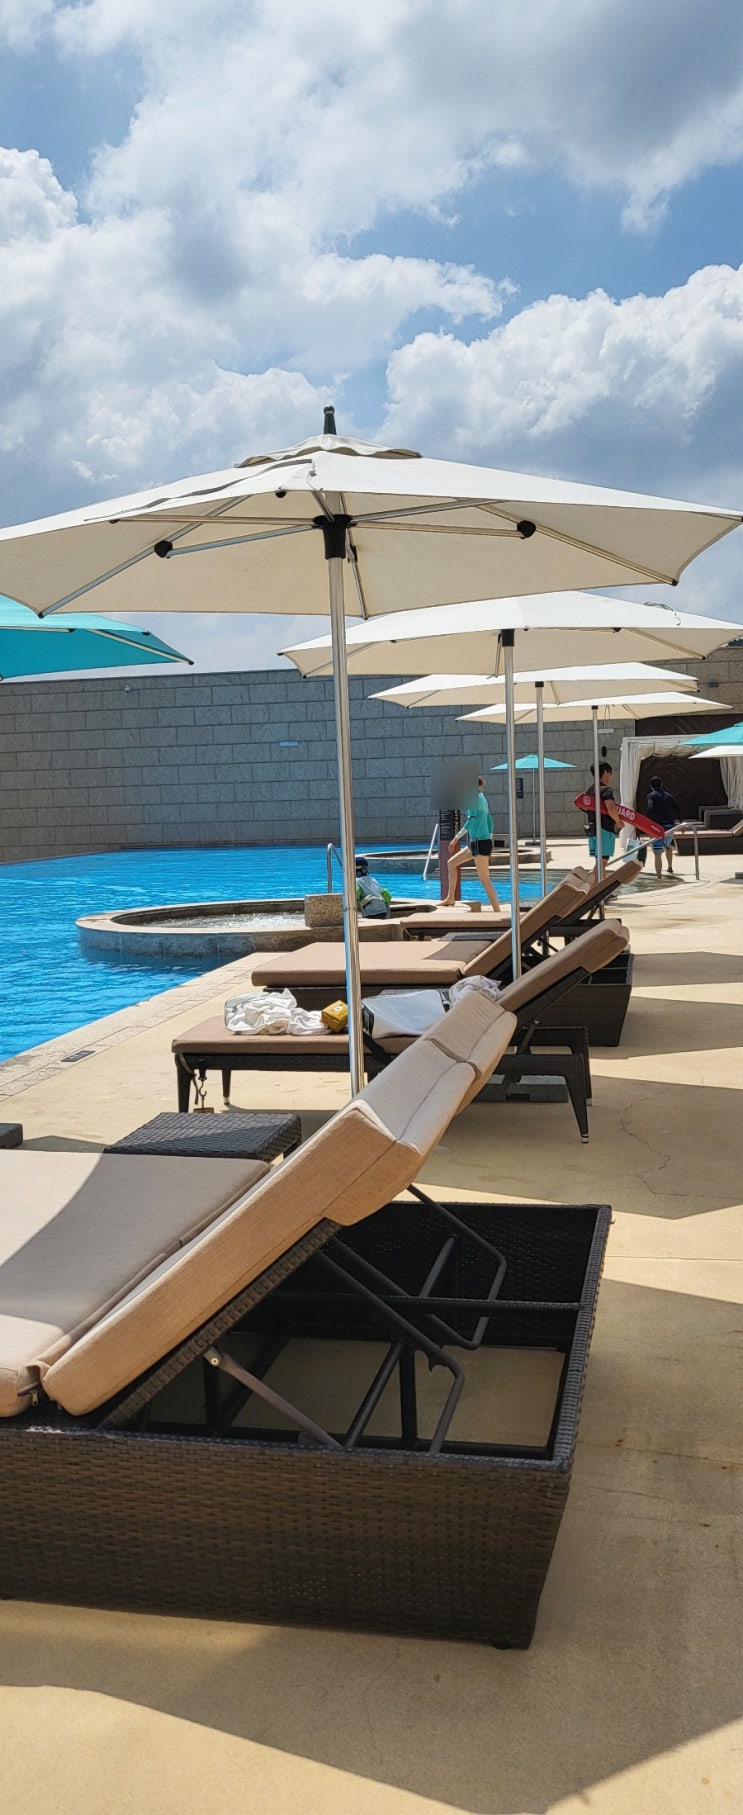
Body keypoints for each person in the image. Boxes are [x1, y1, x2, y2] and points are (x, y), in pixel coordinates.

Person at [443, 777, 501, 910]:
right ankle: (450, 898)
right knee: (451, 863)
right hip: (477, 843)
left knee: (485, 880)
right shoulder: (482, 799)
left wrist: (456, 839)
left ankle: (497, 911)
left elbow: (472, 821)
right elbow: (490, 822)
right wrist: (489, 841)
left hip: (479, 844)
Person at [584, 758, 624, 879]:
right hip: (604, 830)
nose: (610, 776)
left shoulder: (589, 790)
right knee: (602, 862)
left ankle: (601, 887)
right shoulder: (605, 789)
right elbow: (610, 807)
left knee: (600, 861)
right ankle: (589, 885)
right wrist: (618, 822)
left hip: (592, 829)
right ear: (606, 772)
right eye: (610, 773)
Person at [646, 774, 680, 879]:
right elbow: (677, 808)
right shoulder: (669, 796)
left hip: (657, 827)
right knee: (668, 846)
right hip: (670, 826)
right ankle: (670, 867)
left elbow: (650, 808)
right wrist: (681, 821)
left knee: (657, 853)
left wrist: (646, 820)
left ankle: (659, 876)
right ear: (661, 785)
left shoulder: (651, 796)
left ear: (651, 786)